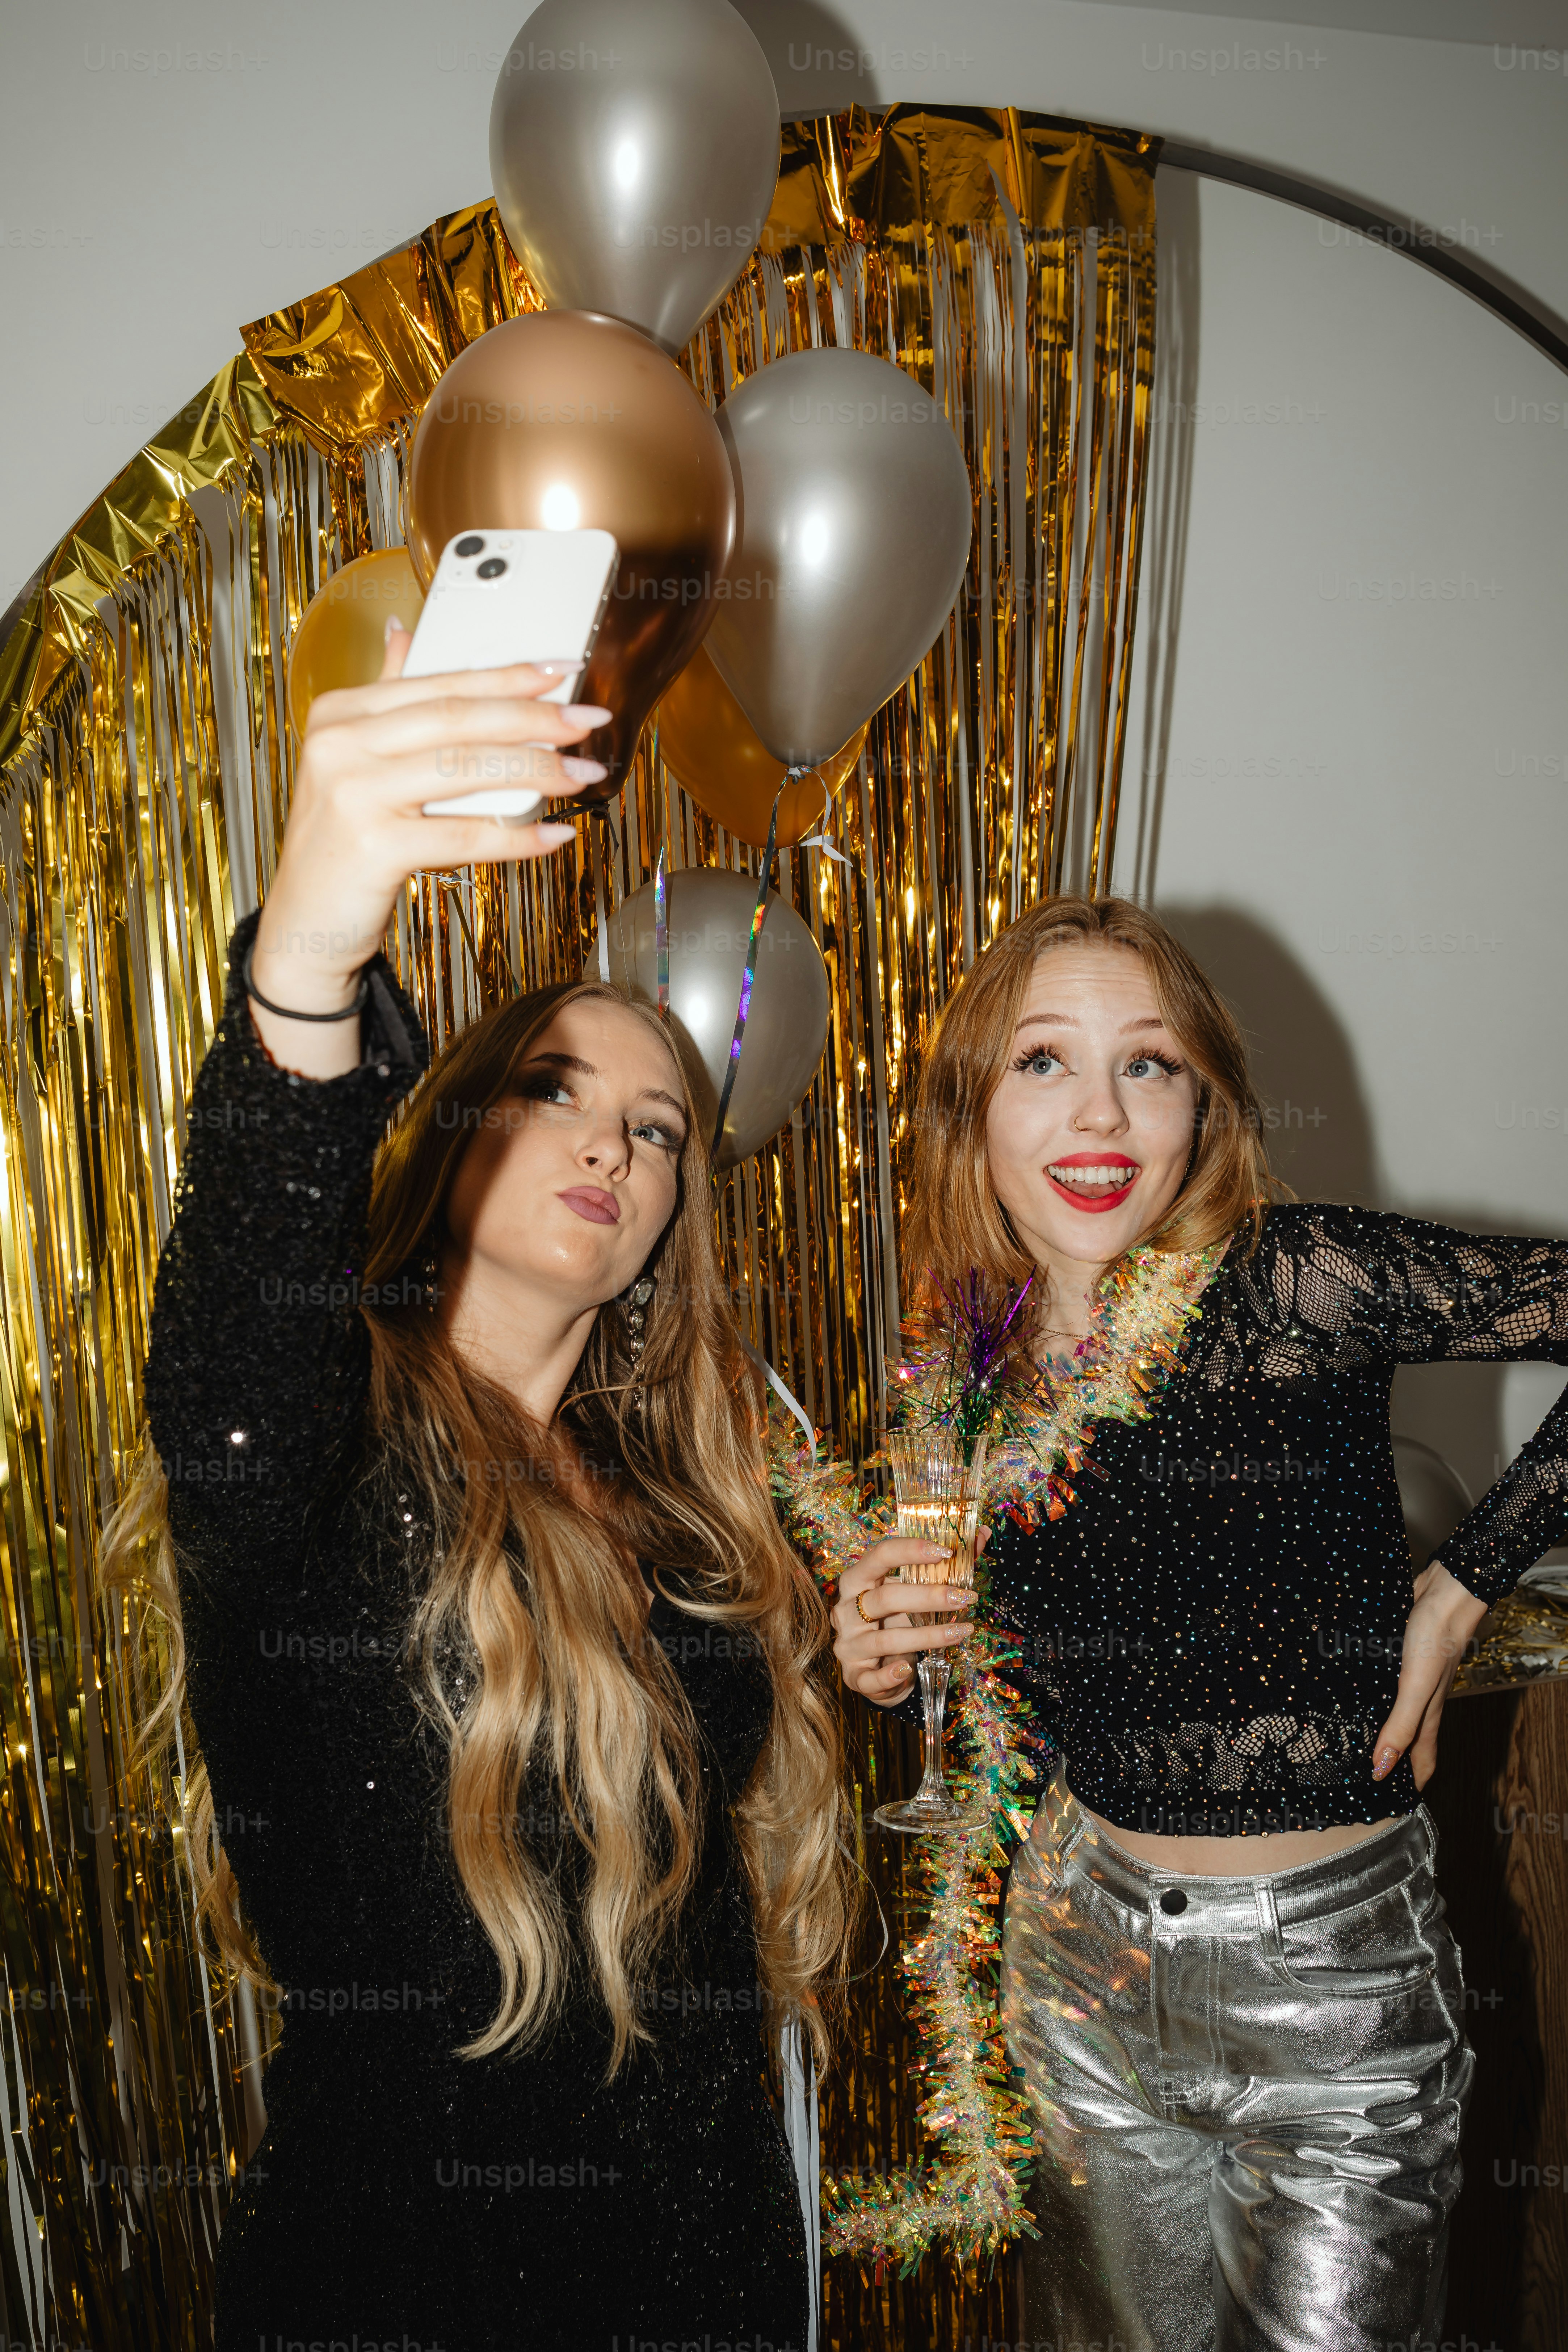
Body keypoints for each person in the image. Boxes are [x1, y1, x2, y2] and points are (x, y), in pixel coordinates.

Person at [101, 623, 852, 2352]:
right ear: (451, 1133)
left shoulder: (684, 1508)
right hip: (412, 2274)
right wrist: (310, 950)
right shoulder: (316, 1445)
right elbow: (230, 1357)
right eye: (554, 1090)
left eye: (661, 1129)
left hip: (714, 2262)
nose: (614, 1143)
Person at [830, 894, 1568, 2352]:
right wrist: (879, 1651)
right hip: (1075, 1963)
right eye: (1044, 1060)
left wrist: (1470, 1576)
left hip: (1333, 1991)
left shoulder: (1298, 1282)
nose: (1100, 1111)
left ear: (1203, 1102)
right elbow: (1040, 1692)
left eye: (1148, 1063)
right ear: (975, 1105)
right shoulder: (968, 1368)